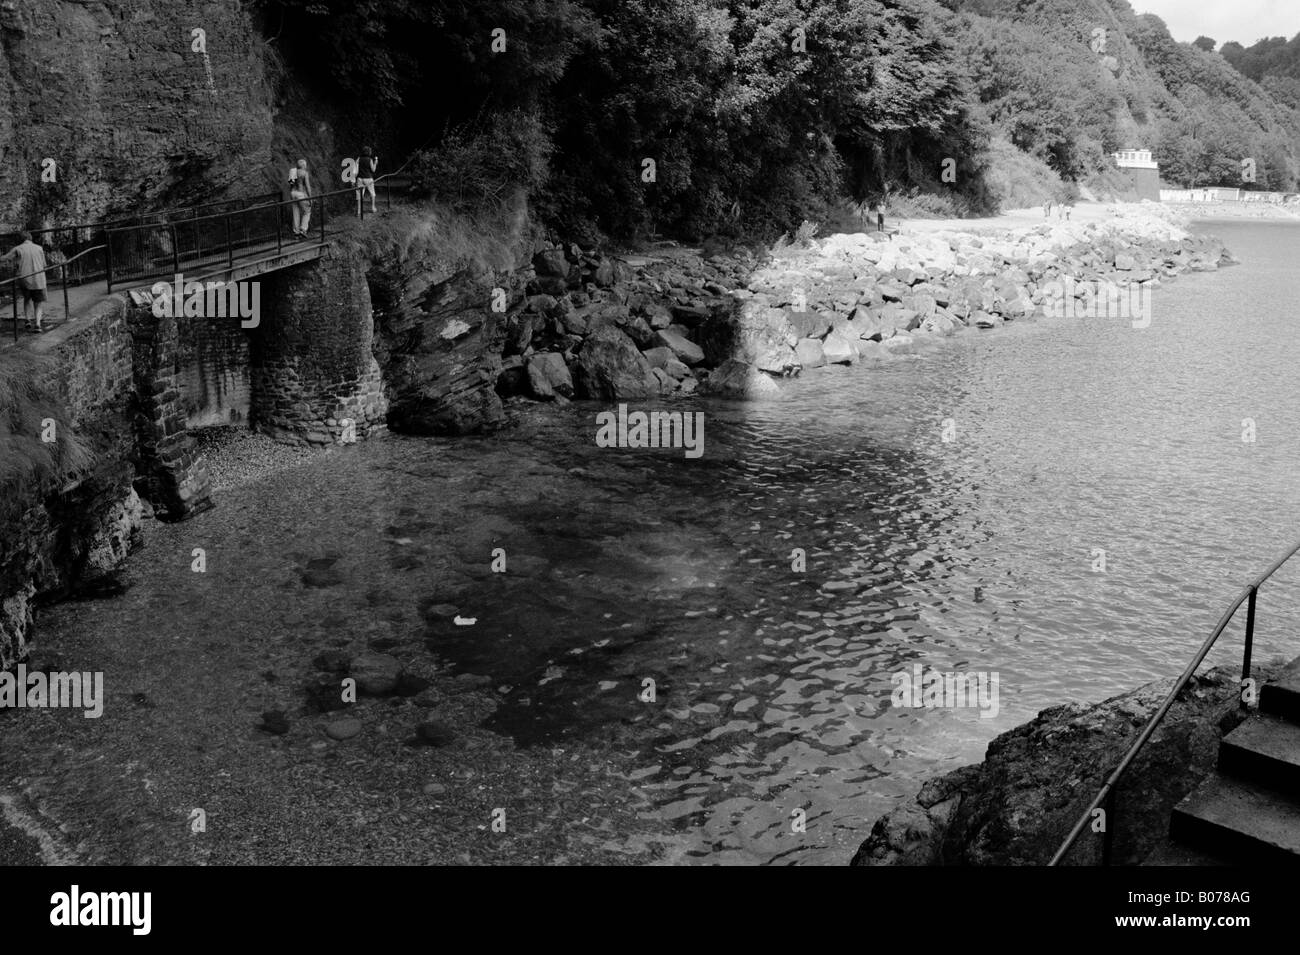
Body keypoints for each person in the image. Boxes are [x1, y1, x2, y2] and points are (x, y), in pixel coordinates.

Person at [9, 230, 48, 332]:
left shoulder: (17, 249)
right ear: (30, 238)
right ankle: (38, 324)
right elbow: (44, 265)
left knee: (27, 299)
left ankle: (27, 320)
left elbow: (5, 258)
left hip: (25, 279)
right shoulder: (39, 248)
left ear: (20, 239)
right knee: (38, 302)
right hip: (38, 279)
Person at [289, 158, 313, 237]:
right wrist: (310, 199)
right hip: (300, 193)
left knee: (295, 212)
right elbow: (307, 187)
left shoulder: (293, 172)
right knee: (307, 211)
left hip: (293, 193)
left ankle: (296, 232)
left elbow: (291, 184)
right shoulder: (304, 173)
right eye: (305, 165)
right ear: (303, 165)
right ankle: (303, 229)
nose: (306, 166)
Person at [355, 146, 378, 215]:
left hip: (360, 178)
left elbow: (356, 171)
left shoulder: (358, 159)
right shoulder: (370, 160)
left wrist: (354, 180)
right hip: (368, 178)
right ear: (369, 152)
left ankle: (359, 211)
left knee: (359, 195)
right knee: (372, 193)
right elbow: (373, 170)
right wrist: (375, 163)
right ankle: (373, 208)